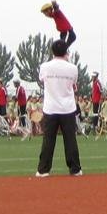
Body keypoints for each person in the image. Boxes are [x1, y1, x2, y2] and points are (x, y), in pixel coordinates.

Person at [36, 39, 83, 177]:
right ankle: (75, 169)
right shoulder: (72, 68)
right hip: (67, 108)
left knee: (48, 140)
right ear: (66, 52)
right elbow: (74, 84)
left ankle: (43, 169)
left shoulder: (45, 66)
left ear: (52, 52)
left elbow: (42, 79)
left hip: (50, 108)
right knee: (70, 140)